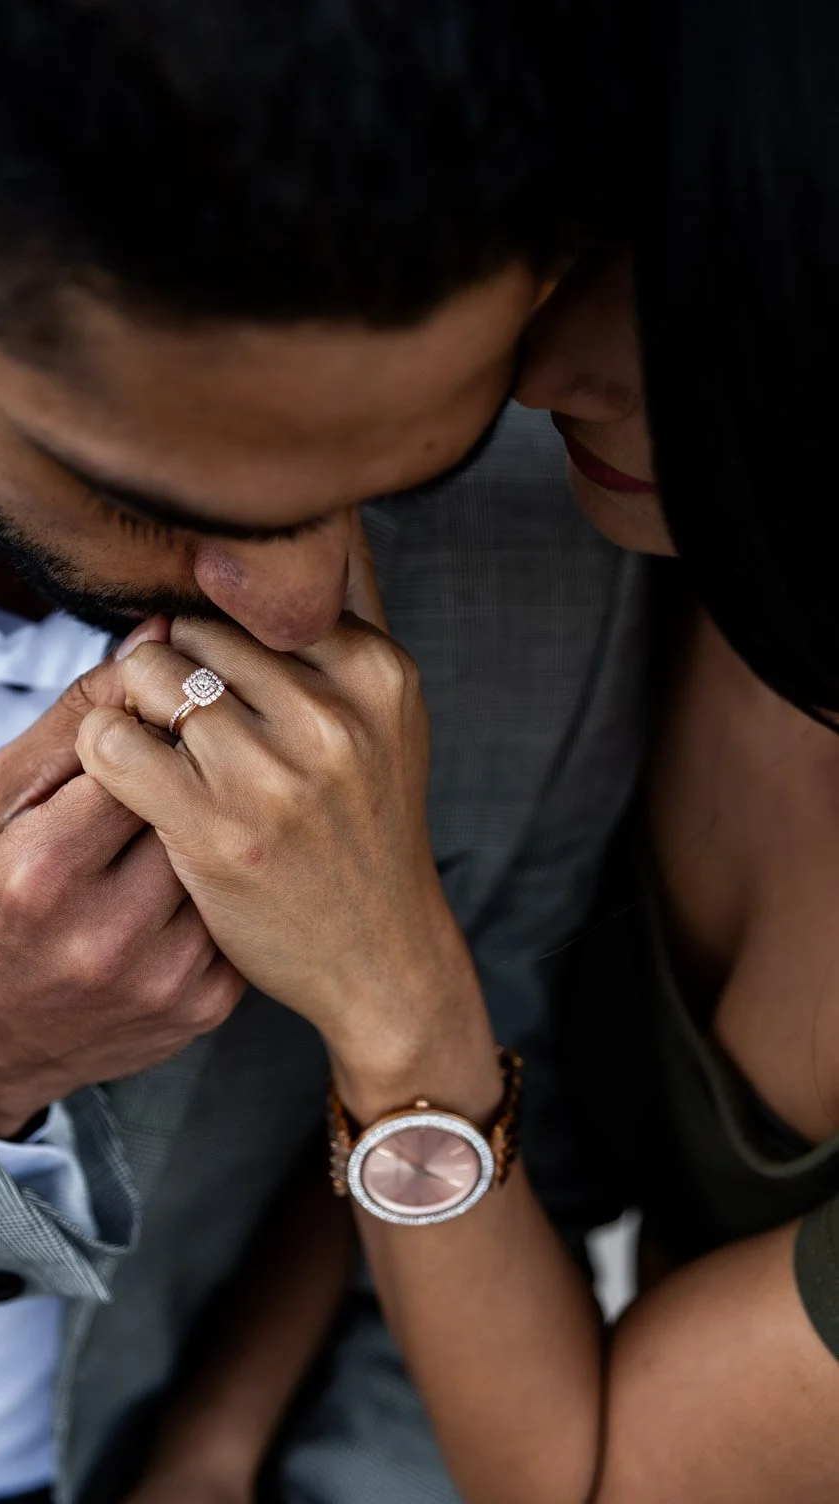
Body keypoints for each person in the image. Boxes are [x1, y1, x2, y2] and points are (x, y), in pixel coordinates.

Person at [0, 3, 645, 1501]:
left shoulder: (562, 545)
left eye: (404, 471)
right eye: (150, 497)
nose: (299, 605)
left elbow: (521, 1181)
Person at [75, 3, 839, 1501]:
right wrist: (225, 1427)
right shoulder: (670, 539)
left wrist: (391, 988)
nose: (546, 366)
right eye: (597, 231)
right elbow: (514, 1101)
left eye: (708, 309)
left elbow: (583, 1473)